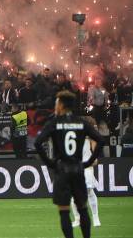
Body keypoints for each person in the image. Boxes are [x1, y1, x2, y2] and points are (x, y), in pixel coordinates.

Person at [35, 91, 104, 238]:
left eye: (56, 103)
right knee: (83, 209)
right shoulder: (81, 123)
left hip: (62, 170)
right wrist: (88, 162)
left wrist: (51, 163)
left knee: (64, 211)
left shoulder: (55, 122)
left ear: (60, 104)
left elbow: (37, 143)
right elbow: (100, 140)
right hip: (78, 169)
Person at [70, 117, 101, 228]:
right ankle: (77, 219)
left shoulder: (90, 137)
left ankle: (95, 217)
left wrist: (93, 159)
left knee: (88, 191)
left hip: (86, 167)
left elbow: (95, 153)